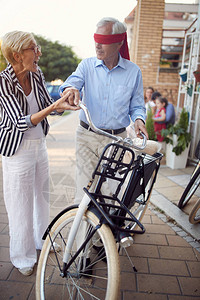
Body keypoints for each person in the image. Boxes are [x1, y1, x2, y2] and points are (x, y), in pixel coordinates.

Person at [0, 31, 79, 276]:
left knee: (41, 198)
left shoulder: (36, 74)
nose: (39, 53)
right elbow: (20, 122)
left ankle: (42, 240)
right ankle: (22, 257)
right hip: (17, 150)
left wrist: (63, 101)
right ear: (16, 54)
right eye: (34, 48)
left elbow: (48, 106)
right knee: (20, 204)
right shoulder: (3, 82)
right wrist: (53, 107)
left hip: (39, 146)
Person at [59, 17, 148, 205]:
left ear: (119, 43)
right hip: (87, 137)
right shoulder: (86, 66)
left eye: (104, 41)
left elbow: (137, 105)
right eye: (96, 40)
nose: (98, 45)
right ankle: (84, 234)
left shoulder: (133, 72)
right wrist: (70, 90)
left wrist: (139, 119)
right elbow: (71, 83)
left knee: (111, 193)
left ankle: (107, 232)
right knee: (85, 191)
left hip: (117, 140)